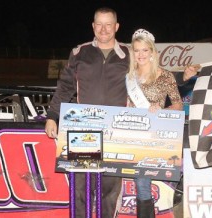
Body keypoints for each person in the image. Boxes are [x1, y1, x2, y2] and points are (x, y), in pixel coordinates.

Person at [45, 7, 130, 218]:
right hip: (82, 129)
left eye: (108, 24)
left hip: (116, 131)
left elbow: (151, 78)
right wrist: (52, 116)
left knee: (110, 189)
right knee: (80, 187)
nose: (103, 29)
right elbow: (65, 87)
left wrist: (183, 77)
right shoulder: (79, 53)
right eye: (99, 24)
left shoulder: (129, 54)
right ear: (93, 25)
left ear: (116, 27)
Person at [126, 29, 198, 218]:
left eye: (144, 50)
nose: (140, 55)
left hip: (155, 136)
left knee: (142, 182)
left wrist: (161, 110)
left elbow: (179, 106)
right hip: (132, 134)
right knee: (136, 182)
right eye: (136, 50)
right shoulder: (129, 76)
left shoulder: (164, 76)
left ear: (152, 52)